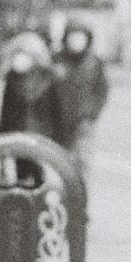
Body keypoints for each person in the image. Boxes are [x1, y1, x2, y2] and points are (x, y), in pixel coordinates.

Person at [53, 18, 111, 168]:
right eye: (73, 37)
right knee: (59, 162)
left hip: (83, 122)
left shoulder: (94, 62)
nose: (76, 41)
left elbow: (102, 90)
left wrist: (92, 113)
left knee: (81, 162)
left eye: (80, 37)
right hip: (58, 122)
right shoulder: (57, 60)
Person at [0, 29, 66, 143]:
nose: (20, 59)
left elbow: (56, 114)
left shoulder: (48, 81)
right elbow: (5, 116)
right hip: (16, 138)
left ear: (35, 58)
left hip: (42, 139)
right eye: (17, 54)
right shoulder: (10, 81)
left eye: (25, 55)